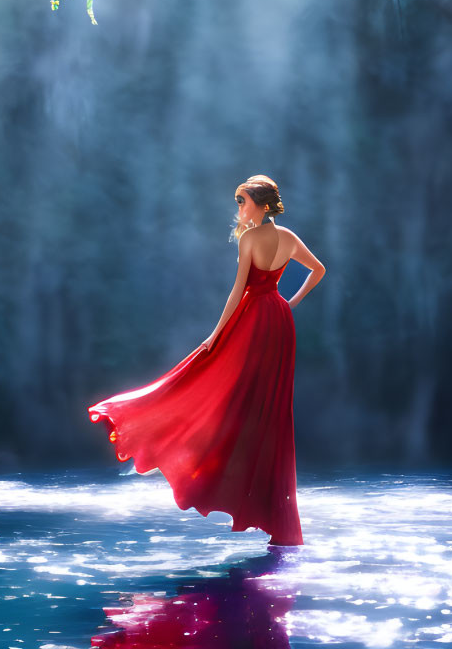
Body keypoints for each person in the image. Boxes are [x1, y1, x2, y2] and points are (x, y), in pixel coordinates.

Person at [88, 174, 326, 546]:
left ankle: (205, 462)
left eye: (244, 201)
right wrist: (289, 304)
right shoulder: (289, 238)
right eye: (238, 201)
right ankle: (275, 516)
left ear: (263, 206)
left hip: (252, 319)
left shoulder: (250, 239)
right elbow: (319, 270)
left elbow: (238, 292)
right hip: (279, 322)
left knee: (224, 386)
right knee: (272, 411)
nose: (239, 208)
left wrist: (215, 335)